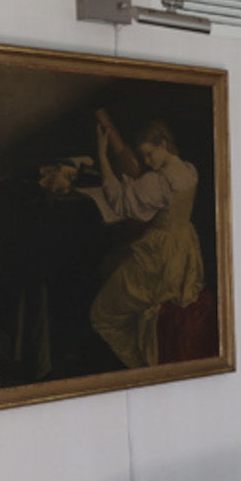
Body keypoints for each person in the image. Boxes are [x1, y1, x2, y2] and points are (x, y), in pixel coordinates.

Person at [88, 118, 205, 368]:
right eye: (144, 157)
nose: (147, 162)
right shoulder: (189, 170)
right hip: (184, 249)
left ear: (163, 144)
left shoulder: (157, 182)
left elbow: (120, 203)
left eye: (149, 154)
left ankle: (141, 366)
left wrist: (103, 157)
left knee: (102, 314)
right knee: (111, 266)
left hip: (159, 256)